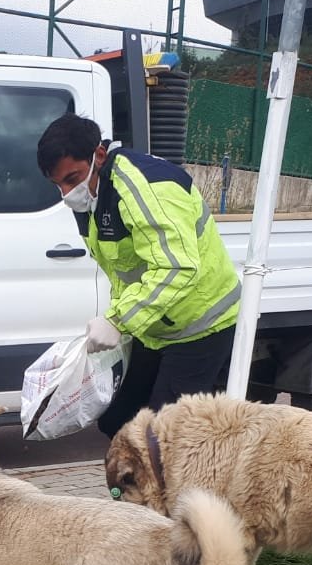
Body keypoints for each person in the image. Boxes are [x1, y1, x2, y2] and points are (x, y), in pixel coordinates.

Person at [36, 113, 241, 437]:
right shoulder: (92, 197)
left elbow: (175, 266)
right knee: (117, 422)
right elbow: (126, 270)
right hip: (155, 327)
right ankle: (125, 491)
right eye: (58, 184)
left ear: (98, 156)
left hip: (200, 326)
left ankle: (180, 489)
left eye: (72, 178)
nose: (65, 193)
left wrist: (117, 320)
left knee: (162, 438)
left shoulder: (145, 188)